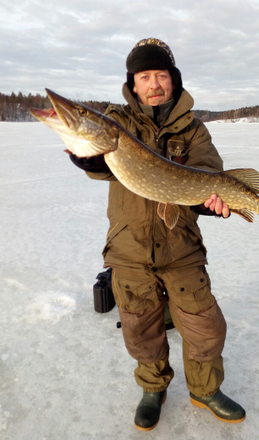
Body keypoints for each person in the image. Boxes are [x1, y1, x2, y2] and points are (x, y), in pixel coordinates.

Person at [69, 38, 245, 431]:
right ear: (133, 84)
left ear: (173, 80)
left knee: (206, 326)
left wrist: (206, 202)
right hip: (129, 249)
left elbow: (206, 172)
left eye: (160, 75)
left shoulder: (194, 130)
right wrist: (84, 155)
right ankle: (153, 389)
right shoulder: (117, 124)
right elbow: (98, 163)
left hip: (181, 248)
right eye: (144, 76)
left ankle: (205, 389)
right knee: (140, 328)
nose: (153, 84)